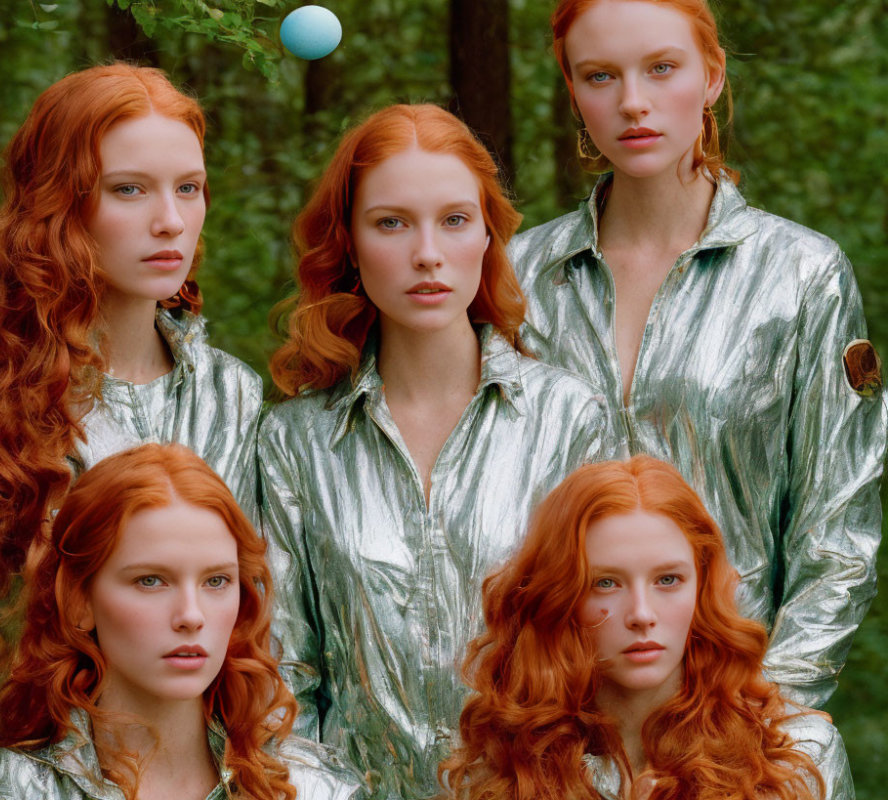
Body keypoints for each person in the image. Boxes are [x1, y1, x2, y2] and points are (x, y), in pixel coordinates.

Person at [509, 0, 886, 708]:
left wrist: (766, 713)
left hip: (732, 712)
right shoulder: (517, 276)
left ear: (712, 76)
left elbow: (838, 528)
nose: (632, 102)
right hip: (548, 723)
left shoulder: (801, 274)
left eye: (661, 68)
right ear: (572, 91)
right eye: (599, 76)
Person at [0, 63, 262, 791]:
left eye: (189, 188)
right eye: (130, 189)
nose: (171, 220)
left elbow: (265, 629)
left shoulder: (234, 393)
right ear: (60, 205)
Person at [259, 103, 613, 800]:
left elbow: (601, 657)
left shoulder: (569, 419)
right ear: (351, 244)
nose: (427, 253)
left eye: (453, 220)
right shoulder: (293, 441)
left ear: (487, 234)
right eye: (391, 222)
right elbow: (281, 679)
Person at [0, 443, 363, 800]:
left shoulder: (316, 789)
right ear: (79, 601)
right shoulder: (5, 793)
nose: (191, 616)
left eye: (216, 581)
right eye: (151, 580)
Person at [441, 455, 853, 800]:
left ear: (702, 588)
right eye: (605, 583)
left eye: (667, 580)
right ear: (559, 598)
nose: (641, 614)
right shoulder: (498, 769)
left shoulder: (797, 757)